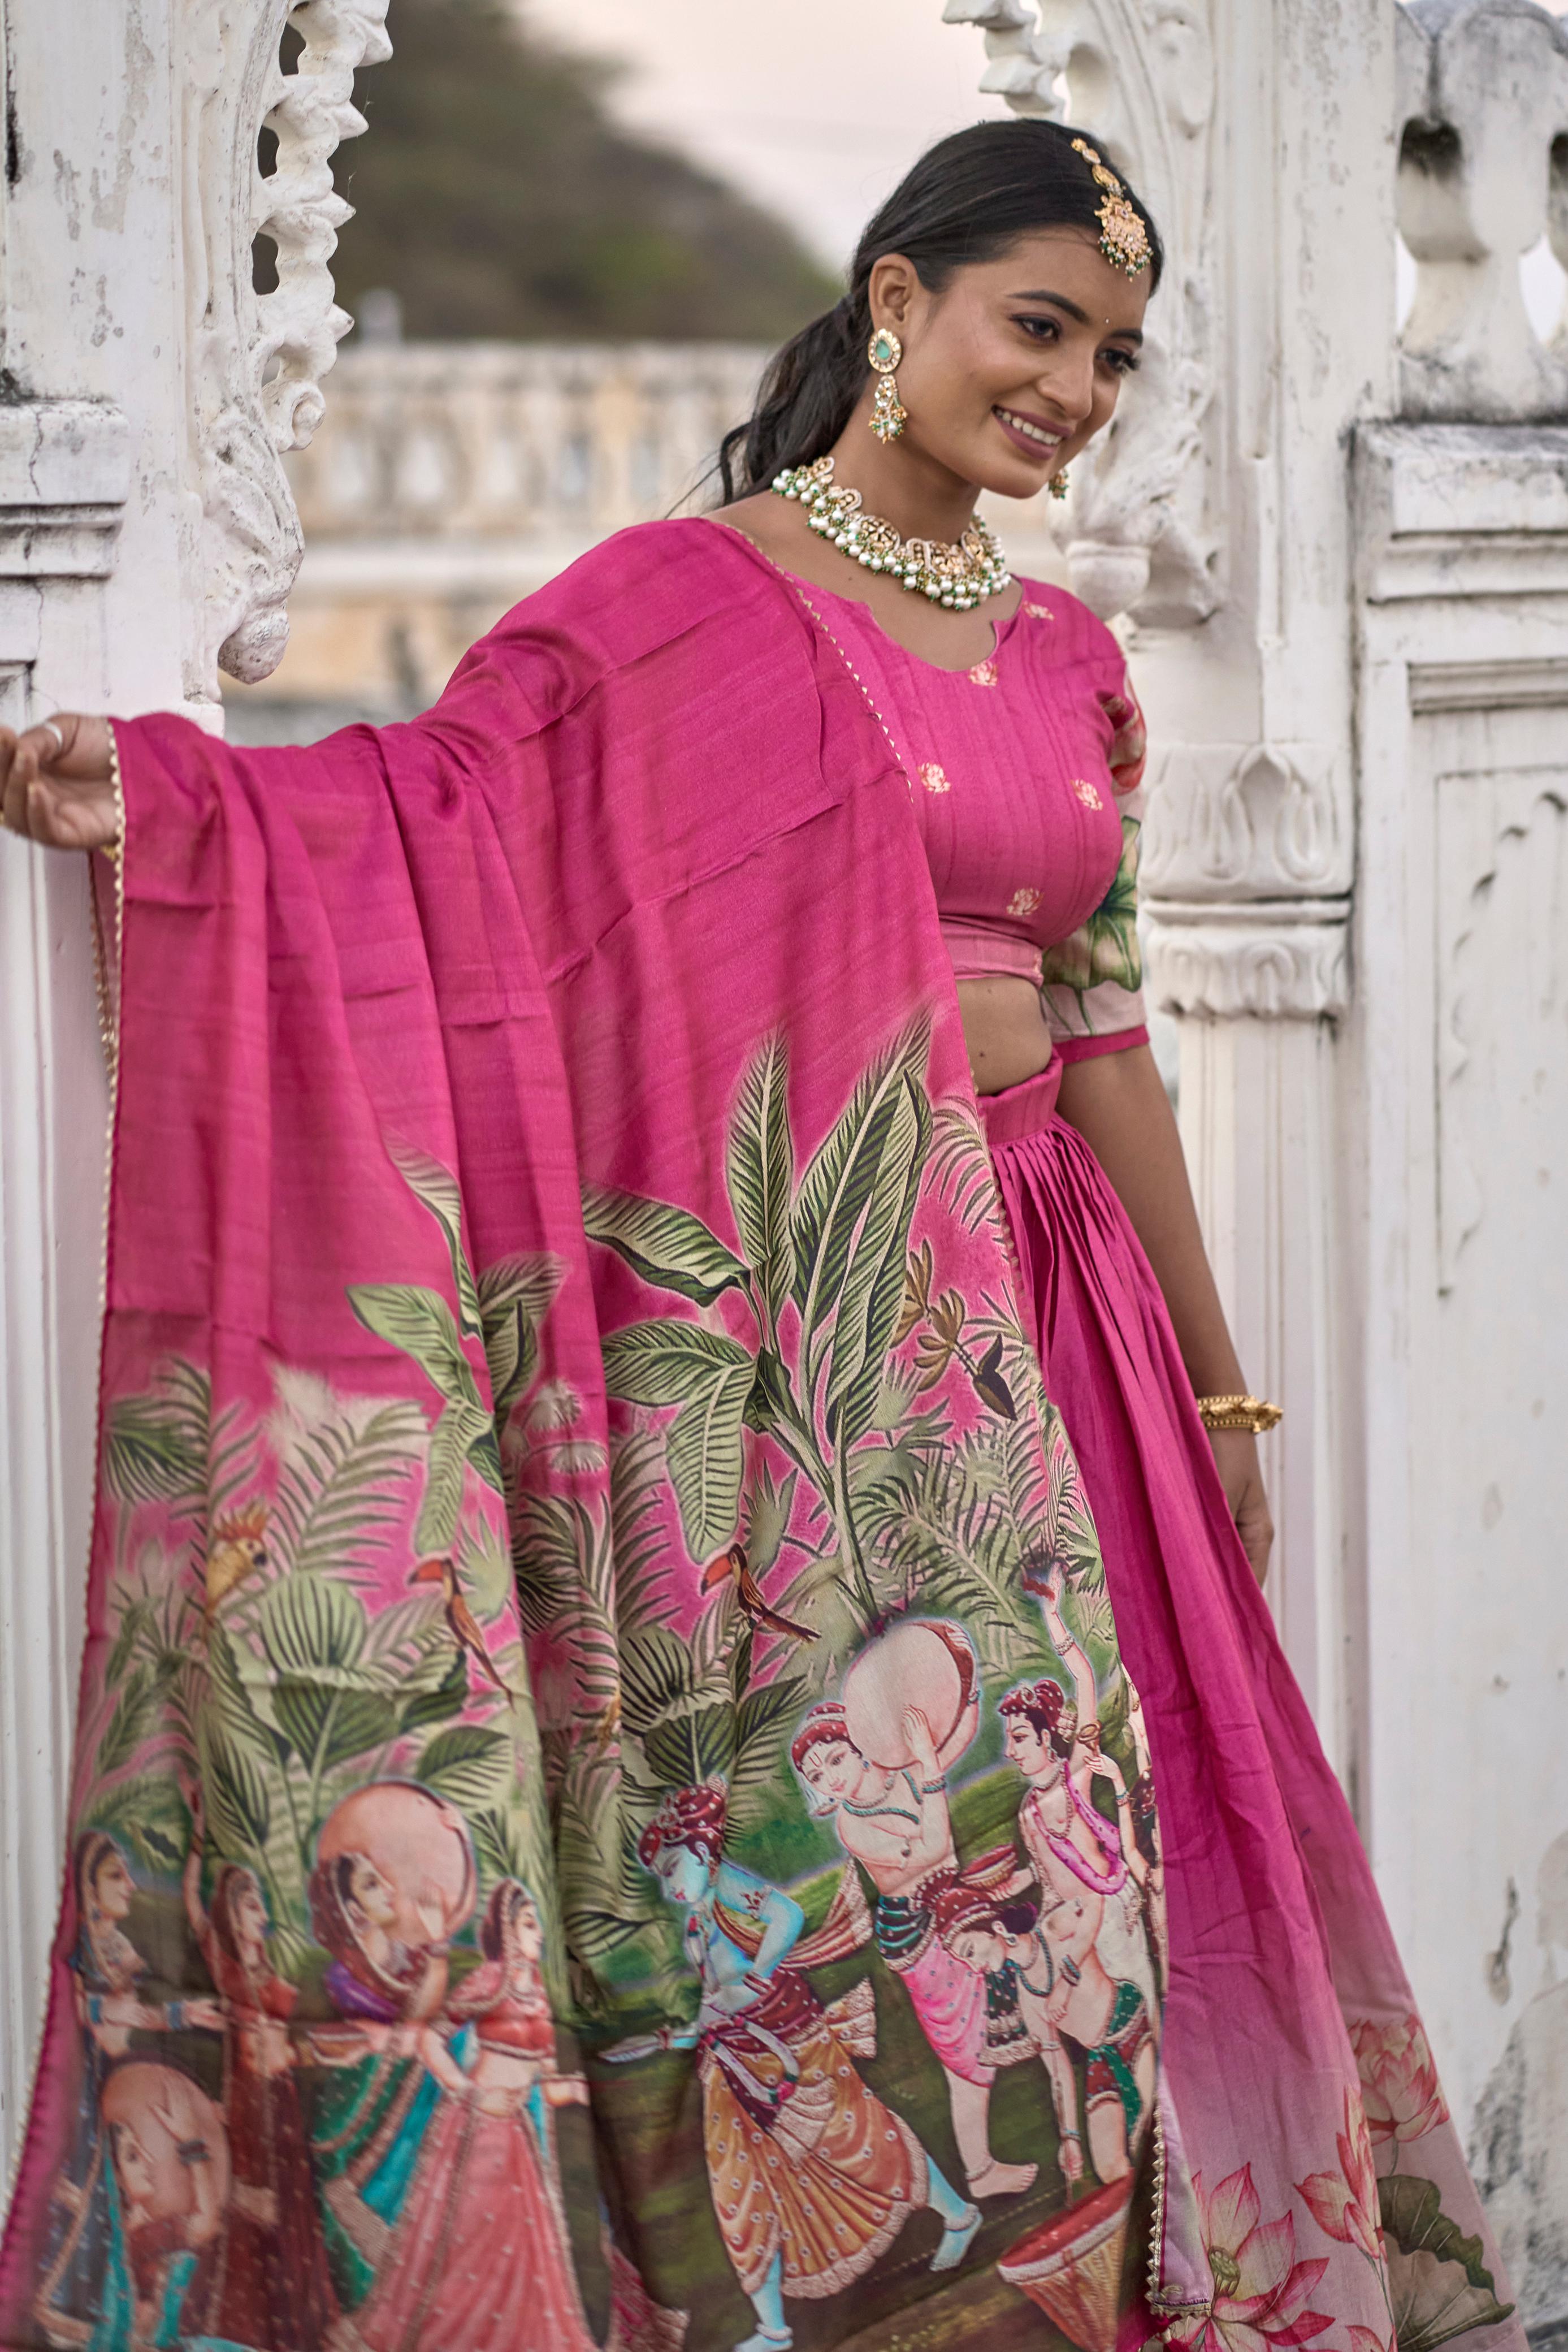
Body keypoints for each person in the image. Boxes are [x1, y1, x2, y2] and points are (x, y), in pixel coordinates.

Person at [0, 116, 1521, 2352]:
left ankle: (1118, 2283)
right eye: (1036, 328)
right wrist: (177, 796)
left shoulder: (1068, 653)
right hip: (811, 1334)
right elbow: (441, 817)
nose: (1072, 391)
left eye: (1111, 356)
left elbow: (1106, 1039)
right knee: (865, 1854)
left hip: (1052, 1309)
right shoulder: (680, 605)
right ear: (895, 303)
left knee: (1080, 1852)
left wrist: (1215, 1386)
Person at [605, 1784, 980, 2352]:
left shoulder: (722, 1883)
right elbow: (706, 2000)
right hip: (729, 2059)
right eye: (662, 1874)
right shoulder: (691, 1919)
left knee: (860, 2134)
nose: (671, 1885)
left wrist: (757, 1975)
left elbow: (787, 1913)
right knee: (739, 2182)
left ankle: (958, 2215)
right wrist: (657, 2040)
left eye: (674, 1866)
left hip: (787, 2034)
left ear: (702, 1852)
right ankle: (773, 2329)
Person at [343, 1882, 597, 2352]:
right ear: (507, 1929)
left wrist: (583, 2090)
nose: (540, 1933)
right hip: (474, 2131)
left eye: (538, 1924)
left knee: (517, 2253)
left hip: (517, 2137)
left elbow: (547, 2084)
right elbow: (430, 2038)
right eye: (529, 1923)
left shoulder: (539, 1993)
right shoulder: (489, 1979)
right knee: (466, 2249)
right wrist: (465, 2091)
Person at [181, 1787, 339, 2350]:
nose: (262, 1915)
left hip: (282, 2094)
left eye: (260, 1905)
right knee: (251, 2203)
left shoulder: (275, 1975)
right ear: (232, 1912)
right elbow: (191, 1900)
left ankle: (299, 2321)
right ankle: (242, 2322)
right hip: (246, 2095)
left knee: (291, 2204)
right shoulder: (224, 1965)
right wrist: (199, 1833)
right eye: (251, 1905)